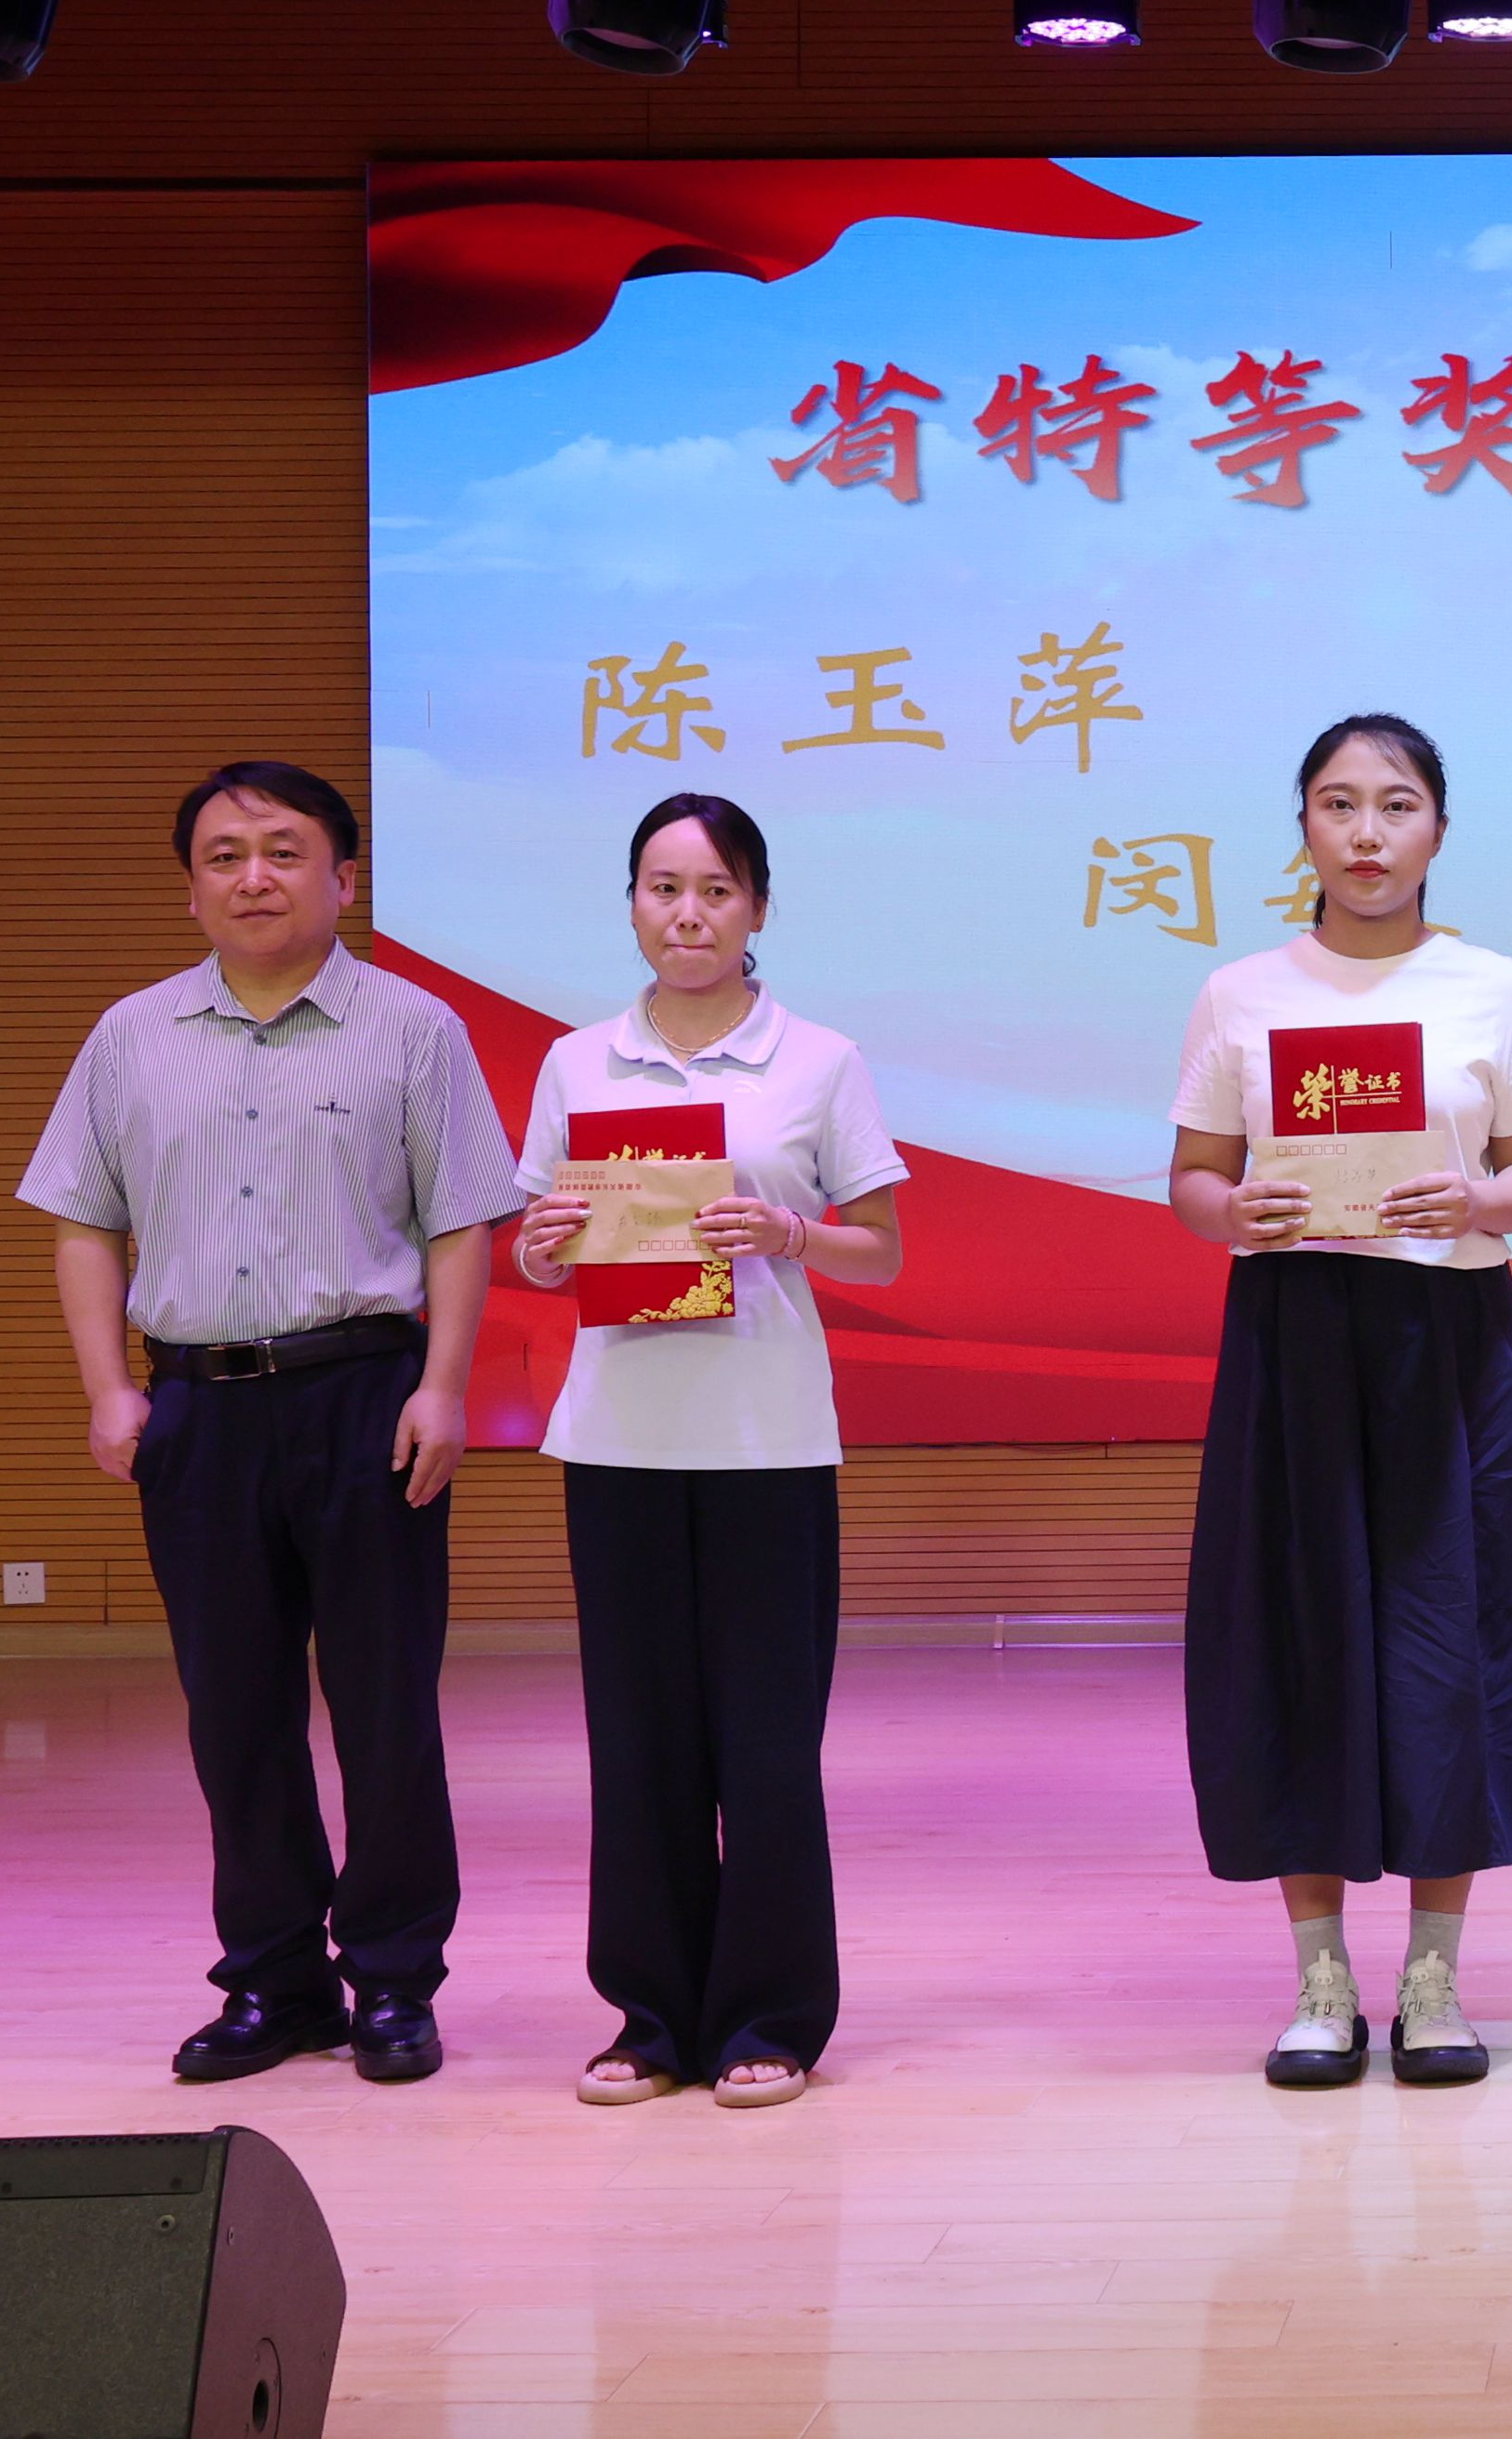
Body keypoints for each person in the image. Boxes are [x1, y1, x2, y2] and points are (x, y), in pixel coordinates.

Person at [20, 761, 513, 2086]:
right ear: (190, 889)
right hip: (199, 1406)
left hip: (367, 1396)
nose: (254, 877)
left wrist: (445, 1386)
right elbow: (84, 1221)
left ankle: (394, 1979)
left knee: (385, 1708)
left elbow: (461, 1222)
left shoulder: (414, 1029)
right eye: (224, 856)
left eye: (284, 852)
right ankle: (275, 1981)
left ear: (343, 878)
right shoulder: (131, 1037)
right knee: (232, 1712)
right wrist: (109, 1388)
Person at [1169, 714, 1512, 2089]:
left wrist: (1479, 1198)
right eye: (1337, 804)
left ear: (1437, 830)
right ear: (1304, 829)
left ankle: (1436, 1975)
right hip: (1294, 1340)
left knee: (1449, 1643)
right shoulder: (1242, 993)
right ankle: (1323, 1979)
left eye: (1396, 805)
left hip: (1444, 1342)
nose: (1366, 831)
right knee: (1302, 1640)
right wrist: (1234, 1211)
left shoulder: (1495, 988)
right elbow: (1196, 1179)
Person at [507, 795, 909, 2113]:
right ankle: (649, 2018)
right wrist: (542, 1247)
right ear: (632, 902)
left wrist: (789, 1235)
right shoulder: (578, 1063)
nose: (689, 914)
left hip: (767, 1442)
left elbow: (881, 1251)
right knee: (637, 1741)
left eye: (717, 890)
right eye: (663, 887)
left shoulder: (820, 1061)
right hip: (617, 1440)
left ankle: (769, 2017)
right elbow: (539, 1242)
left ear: (758, 909)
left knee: (769, 1747)